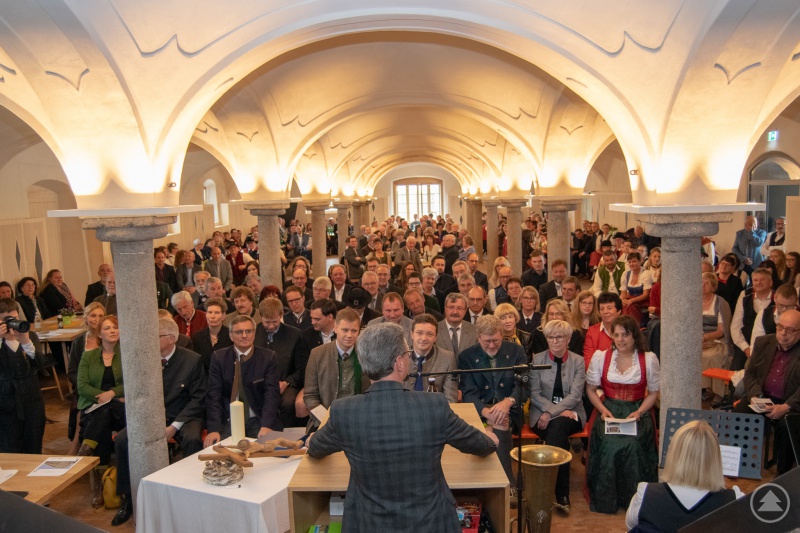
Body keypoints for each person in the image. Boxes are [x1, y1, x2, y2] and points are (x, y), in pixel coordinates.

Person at [307, 322, 497, 533]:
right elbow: (480, 445)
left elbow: (314, 448)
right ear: (399, 363)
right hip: (430, 523)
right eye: (406, 353)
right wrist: (490, 436)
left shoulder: (344, 411)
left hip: (368, 524)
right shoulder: (433, 406)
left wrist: (311, 438)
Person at [112, 317, 207, 526]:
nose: (150, 340)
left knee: (192, 439)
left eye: (155, 336)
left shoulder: (192, 360)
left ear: (171, 338)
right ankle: (128, 498)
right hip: (153, 414)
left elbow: (198, 398)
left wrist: (174, 427)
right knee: (122, 440)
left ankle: (193, 494)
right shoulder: (145, 358)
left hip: (184, 414)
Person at [585, 315, 660, 514]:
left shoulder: (648, 359)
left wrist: (639, 411)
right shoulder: (601, 357)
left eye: (625, 335)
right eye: (616, 335)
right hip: (608, 410)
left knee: (634, 446)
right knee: (609, 446)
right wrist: (602, 410)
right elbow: (591, 390)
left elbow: (653, 394)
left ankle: (632, 501)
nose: (620, 339)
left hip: (637, 411)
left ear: (634, 335)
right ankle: (606, 500)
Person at [625, 421, 742, 532]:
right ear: (715, 458)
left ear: (674, 454)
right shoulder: (735, 501)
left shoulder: (645, 496)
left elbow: (631, 527)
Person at [458, 315, 527, 488]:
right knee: (496, 424)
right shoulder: (467, 356)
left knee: (500, 421)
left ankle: (503, 484)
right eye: (486, 341)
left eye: (496, 341)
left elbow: (524, 386)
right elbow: (468, 393)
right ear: (478, 337)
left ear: (502, 334)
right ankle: (503, 483)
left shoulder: (516, 351)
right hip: (480, 410)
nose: (491, 345)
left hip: (511, 409)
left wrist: (508, 402)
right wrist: (486, 412)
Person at [733, 309, 800, 474]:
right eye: (780, 327)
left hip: (790, 403)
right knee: (741, 411)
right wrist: (756, 396)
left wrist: (786, 407)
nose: (783, 333)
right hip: (762, 397)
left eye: (790, 330)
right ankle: (742, 464)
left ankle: (783, 474)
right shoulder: (763, 342)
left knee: (786, 426)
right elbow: (750, 374)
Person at [529, 319, 586, 512]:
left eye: (559, 337)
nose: (554, 341)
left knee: (560, 426)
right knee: (559, 433)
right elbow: (534, 394)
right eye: (551, 337)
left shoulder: (578, 361)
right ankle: (561, 495)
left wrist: (553, 412)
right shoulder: (537, 360)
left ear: (569, 339)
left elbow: (576, 395)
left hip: (572, 414)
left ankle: (546, 490)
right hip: (541, 415)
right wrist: (553, 411)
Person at [204, 316, 282, 446]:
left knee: (264, 454)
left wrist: (267, 425)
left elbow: (271, 394)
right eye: (239, 332)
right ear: (231, 335)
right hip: (229, 420)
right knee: (222, 453)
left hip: (258, 419)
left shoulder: (268, 357)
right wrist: (214, 429)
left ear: (254, 333)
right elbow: (214, 394)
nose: (245, 335)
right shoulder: (219, 357)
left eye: (249, 331)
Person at [76, 315, 125, 509]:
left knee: (107, 410)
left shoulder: (126, 354)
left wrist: (112, 393)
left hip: (120, 409)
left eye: (115, 327)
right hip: (95, 407)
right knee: (103, 428)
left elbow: (130, 381)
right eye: (107, 328)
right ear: (99, 333)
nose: (112, 331)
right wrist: (102, 396)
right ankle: (101, 484)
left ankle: (87, 449)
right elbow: (82, 386)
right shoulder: (88, 356)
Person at [303, 308, 371, 427]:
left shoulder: (366, 355)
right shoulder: (317, 354)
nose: (349, 335)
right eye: (345, 330)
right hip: (324, 422)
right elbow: (310, 396)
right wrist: (327, 420)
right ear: (335, 328)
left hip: (358, 420)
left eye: (354, 331)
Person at [0, 298, 46, 455]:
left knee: (34, 446)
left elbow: (41, 364)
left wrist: (25, 342)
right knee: (10, 448)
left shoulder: (29, 335)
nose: (11, 323)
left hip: (32, 401)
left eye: (14, 318)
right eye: (7, 320)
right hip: (5, 404)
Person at [253, 298, 306, 427]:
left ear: (281, 315)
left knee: (287, 403)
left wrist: (286, 382)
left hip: (286, 383)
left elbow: (301, 368)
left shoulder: (295, 335)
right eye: (267, 322)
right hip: (259, 382)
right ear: (260, 316)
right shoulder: (252, 333)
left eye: (275, 322)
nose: (271, 326)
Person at [66, 302, 105, 454]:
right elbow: (72, 371)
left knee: (86, 408)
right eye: (93, 315)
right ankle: (77, 446)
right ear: (86, 318)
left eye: (101, 316)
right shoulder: (79, 341)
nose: (97, 319)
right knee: (81, 406)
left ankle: (80, 448)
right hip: (84, 386)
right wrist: (84, 385)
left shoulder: (110, 338)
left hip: (106, 386)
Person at [403, 314, 458, 402]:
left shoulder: (448, 359)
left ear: (435, 337)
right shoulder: (400, 357)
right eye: (419, 333)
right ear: (412, 334)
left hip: (435, 412)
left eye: (430, 334)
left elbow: (450, 399)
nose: (424, 338)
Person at [730, 267, 774, 371]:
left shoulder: (777, 298)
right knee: (734, 375)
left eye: (762, 279)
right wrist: (746, 348)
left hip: (769, 347)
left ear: (770, 282)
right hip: (746, 344)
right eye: (755, 280)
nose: (758, 283)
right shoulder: (744, 295)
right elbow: (735, 326)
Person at [700, 273, 732, 401]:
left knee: (711, 357)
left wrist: (705, 337)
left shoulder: (720, 303)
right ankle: (698, 389)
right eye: (701, 282)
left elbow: (721, 330)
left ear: (713, 286)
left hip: (716, 340)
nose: (703, 285)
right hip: (697, 339)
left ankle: (715, 393)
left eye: (707, 283)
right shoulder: (693, 300)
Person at [191, 297, 233, 375]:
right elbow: (197, 364)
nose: (212, 316)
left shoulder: (231, 335)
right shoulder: (197, 337)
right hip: (205, 380)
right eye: (210, 312)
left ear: (223, 315)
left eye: (216, 313)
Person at [620, 252, 652, 325]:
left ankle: (632, 328)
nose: (631, 264)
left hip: (642, 303)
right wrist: (621, 301)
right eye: (630, 262)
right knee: (618, 307)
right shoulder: (626, 274)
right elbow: (623, 294)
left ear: (640, 261)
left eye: (634, 261)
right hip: (630, 302)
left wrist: (632, 300)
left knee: (628, 308)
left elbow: (645, 295)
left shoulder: (645, 273)